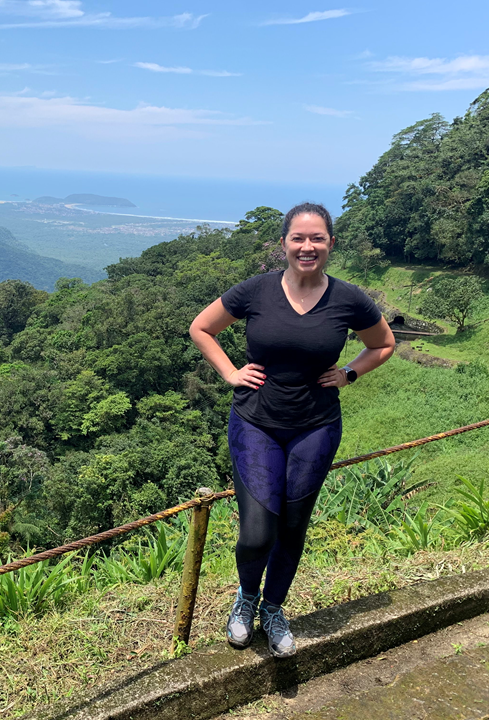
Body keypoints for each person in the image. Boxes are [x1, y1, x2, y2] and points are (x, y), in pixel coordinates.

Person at [189, 202, 395, 657]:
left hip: (316, 426)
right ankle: (245, 600)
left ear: (330, 244)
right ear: (283, 243)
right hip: (256, 422)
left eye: (317, 238)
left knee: (294, 526)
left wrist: (350, 372)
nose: (307, 246)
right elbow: (201, 328)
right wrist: (229, 372)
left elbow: (383, 344)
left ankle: (274, 608)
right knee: (257, 532)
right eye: (298, 238)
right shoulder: (256, 291)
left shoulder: (349, 299)